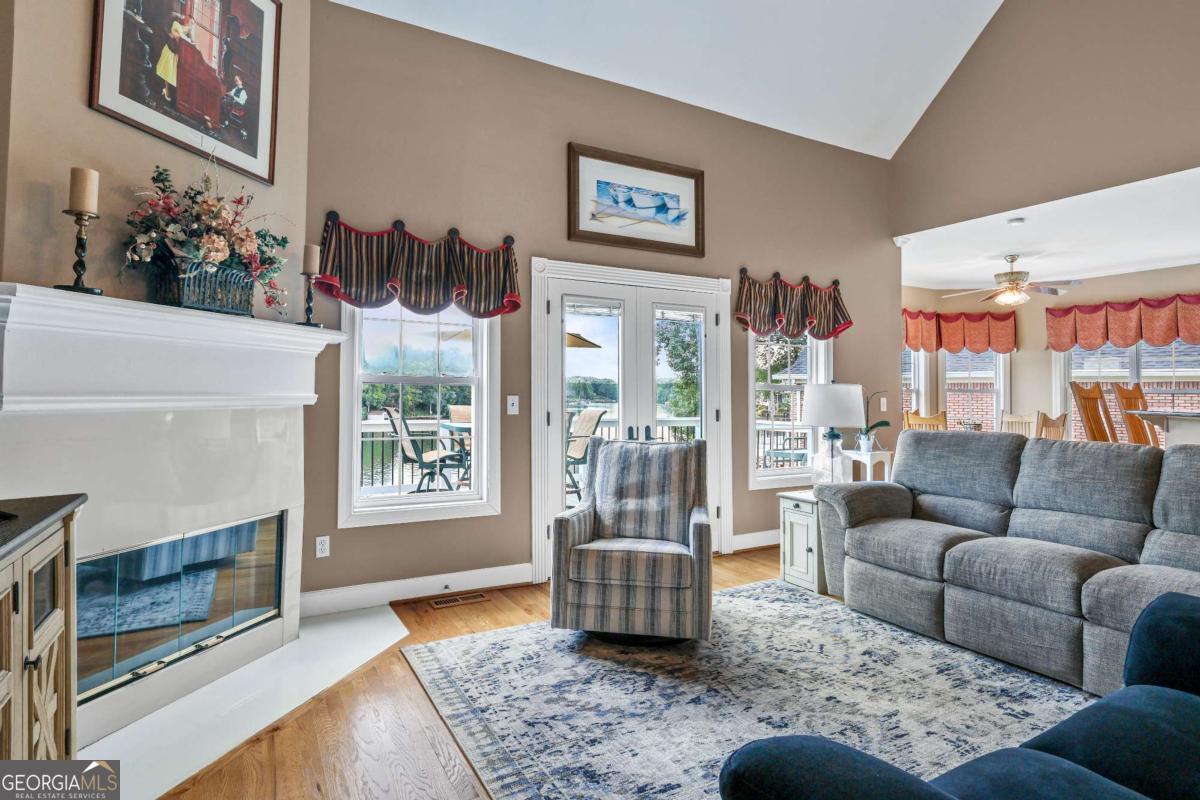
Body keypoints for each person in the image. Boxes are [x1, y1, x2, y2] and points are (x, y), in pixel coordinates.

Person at [155, 14, 195, 104]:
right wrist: (180, 35)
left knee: (171, 73)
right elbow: (182, 37)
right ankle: (165, 91)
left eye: (191, 23)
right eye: (189, 20)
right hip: (170, 50)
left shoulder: (188, 29)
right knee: (166, 70)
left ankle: (167, 91)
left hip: (175, 53)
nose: (189, 23)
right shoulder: (176, 24)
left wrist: (191, 30)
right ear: (185, 18)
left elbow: (190, 40)